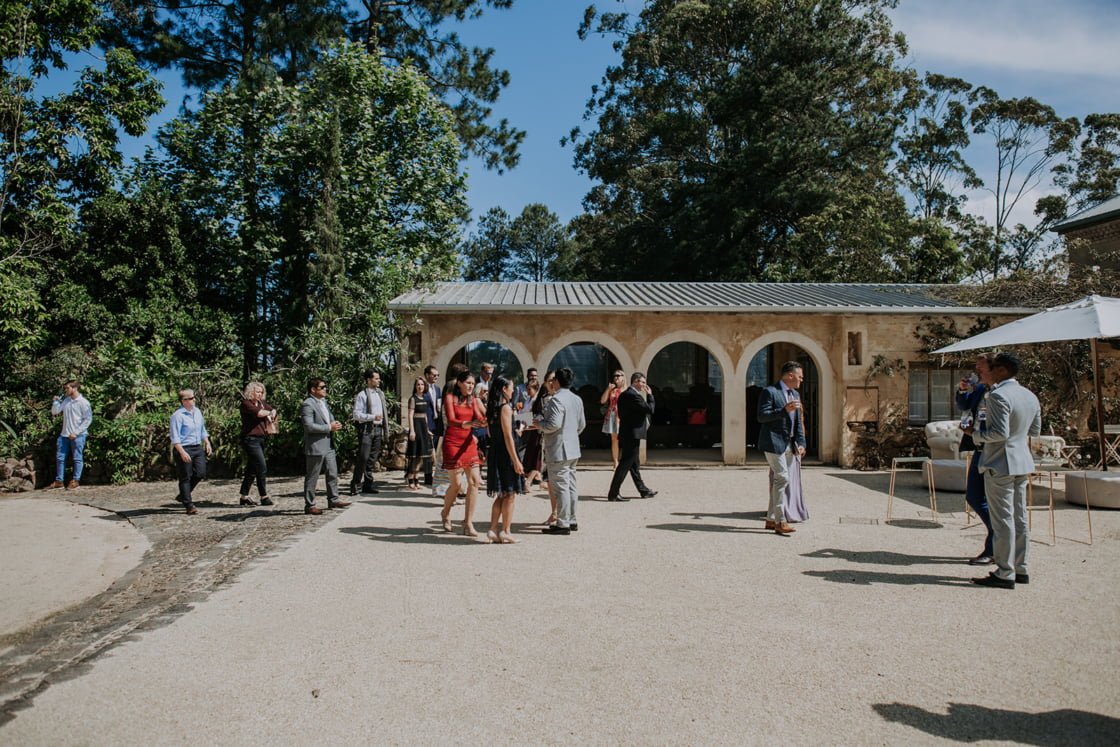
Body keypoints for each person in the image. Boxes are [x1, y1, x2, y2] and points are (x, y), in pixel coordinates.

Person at [966, 352, 1041, 589]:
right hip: (1022, 461)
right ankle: (1021, 568)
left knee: (1003, 520)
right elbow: (1035, 430)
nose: (989, 371)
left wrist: (974, 435)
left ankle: (1004, 572)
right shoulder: (1030, 395)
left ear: (1002, 370)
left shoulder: (998, 395)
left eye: (994, 367)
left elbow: (999, 433)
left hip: (1000, 462)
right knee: (1019, 517)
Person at [757, 362, 806, 536]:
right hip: (773, 442)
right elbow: (762, 416)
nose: (801, 380)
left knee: (781, 480)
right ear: (790, 375)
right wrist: (783, 410)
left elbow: (797, 422)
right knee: (782, 478)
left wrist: (801, 442)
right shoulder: (770, 392)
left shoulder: (795, 394)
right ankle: (780, 521)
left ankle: (771, 519)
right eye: (800, 376)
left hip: (790, 444)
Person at [956, 353, 995, 565]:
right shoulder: (980, 389)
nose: (977, 371)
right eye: (976, 367)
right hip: (980, 448)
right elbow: (964, 406)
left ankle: (996, 543)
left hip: (996, 451)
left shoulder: (1001, 393)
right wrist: (963, 390)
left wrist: (976, 433)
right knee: (973, 496)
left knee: (989, 499)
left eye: (981, 367)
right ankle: (997, 536)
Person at [538, 367, 586, 535]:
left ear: (556, 381)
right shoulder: (577, 399)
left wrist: (539, 424)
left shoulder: (556, 400)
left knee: (561, 487)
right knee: (570, 484)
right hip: (573, 448)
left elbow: (553, 425)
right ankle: (571, 519)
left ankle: (563, 522)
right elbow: (581, 425)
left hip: (559, 449)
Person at [439, 369, 486, 537]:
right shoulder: (449, 398)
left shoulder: (473, 400)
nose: (471, 386)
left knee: (475, 482)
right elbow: (451, 420)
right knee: (457, 485)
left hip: (468, 443)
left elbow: (480, 417)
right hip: (452, 443)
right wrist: (468, 424)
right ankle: (445, 513)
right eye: (468, 383)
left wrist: (486, 420)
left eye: (473, 383)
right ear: (459, 383)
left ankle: (468, 522)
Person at [301, 378, 350, 516]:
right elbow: (308, 426)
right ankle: (310, 505)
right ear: (313, 389)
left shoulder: (324, 402)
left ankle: (333, 499)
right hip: (316, 445)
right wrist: (329, 427)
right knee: (313, 476)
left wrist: (334, 423)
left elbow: (328, 418)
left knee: (333, 472)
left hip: (328, 444)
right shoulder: (308, 404)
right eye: (322, 387)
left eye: (325, 386)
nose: (325, 389)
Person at [606, 372, 658, 502]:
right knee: (625, 464)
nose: (644, 385)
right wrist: (650, 396)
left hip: (628, 433)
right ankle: (613, 493)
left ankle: (643, 490)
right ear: (635, 382)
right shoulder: (633, 395)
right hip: (632, 434)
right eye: (642, 382)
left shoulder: (626, 394)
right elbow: (650, 409)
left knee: (634, 465)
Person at [485, 376, 525, 544]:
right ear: (504, 389)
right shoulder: (505, 408)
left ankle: (493, 529)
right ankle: (506, 531)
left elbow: (491, 433)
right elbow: (508, 436)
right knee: (510, 493)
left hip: (495, 451)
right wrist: (516, 460)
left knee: (501, 494)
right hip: (506, 453)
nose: (513, 390)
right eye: (511, 387)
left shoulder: (492, 409)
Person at [170, 388, 212, 515]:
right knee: (185, 476)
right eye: (191, 398)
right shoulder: (177, 416)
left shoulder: (197, 412)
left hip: (197, 447)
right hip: (184, 447)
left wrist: (207, 442)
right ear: (184, 401)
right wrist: (182, 452)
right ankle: (188, 504)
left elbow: (202, 429)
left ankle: (184, 494)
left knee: (200, 472)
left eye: (194, 397)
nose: (194, 400)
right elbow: (175, 437)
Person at [47, 380, 93, 490]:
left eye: (67, 388)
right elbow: (55, 412)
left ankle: (75, 481)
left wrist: (76, 432)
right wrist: (55, 402)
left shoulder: (84, 402)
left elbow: (88, 419)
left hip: (78, 435)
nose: (65, 390)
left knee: (77, 458)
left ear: (75, 388)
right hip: (64, 435)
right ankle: (59, 481)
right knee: (60, 458)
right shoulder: (66, 401)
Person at [350, 369, 389, 496]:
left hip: (378, 429)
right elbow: (356, 415)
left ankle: (368, 485)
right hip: (366, 428)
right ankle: (355, 484)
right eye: (376, 378)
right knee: (363, 457)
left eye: (378, 378)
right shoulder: (362, 395)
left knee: (372, 458)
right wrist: (372, 417)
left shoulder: (380, 394)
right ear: (369, 380)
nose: (379, 380)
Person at [238, 381, 277, 507]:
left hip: (261, 438)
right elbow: (259, 413)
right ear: (251, 392)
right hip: (250, 439)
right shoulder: (246, 404)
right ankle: (263, 496)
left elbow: (272, 409)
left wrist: (273, 412)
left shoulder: (262, 403)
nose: (260, 394)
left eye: (261, 392)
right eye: (257, 391)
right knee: (261, 465)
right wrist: (269, 412)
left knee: (252, 467)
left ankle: (244, 496)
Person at [404, 377, 434, 490]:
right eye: (418, 385)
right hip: (416, 427)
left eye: (422, 384)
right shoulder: (413, 399)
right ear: (415, 386)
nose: (420, 386)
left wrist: (427, 429)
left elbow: (425, 416)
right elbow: (410, 415)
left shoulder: (425, 398)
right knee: (415, 455)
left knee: (421, 456)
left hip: (423, 428)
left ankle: (416, 479)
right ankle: (410, 478)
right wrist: (412, 430)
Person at [422, 365, 443, 486]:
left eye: (437, 375)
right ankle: (427, 476)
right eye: (434, 375)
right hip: (427, 422)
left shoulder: (438, 389)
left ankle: (435, 474)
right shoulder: (422, 388)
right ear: (427, 375)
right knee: (427, 450)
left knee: (436, 449)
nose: (436, 377)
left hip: (436, 422)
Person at [600, 369, 625, 468]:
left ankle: (626, 461)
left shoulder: (627, 390)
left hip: (623, 415)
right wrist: (608, 389)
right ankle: (615, 462)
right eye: (615, 376)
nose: (616, 377)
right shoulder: (612, 390)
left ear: (623, 377)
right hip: (613, 415)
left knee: (626, 439)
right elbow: (602, 401)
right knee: (614, 439)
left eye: (618, 375)